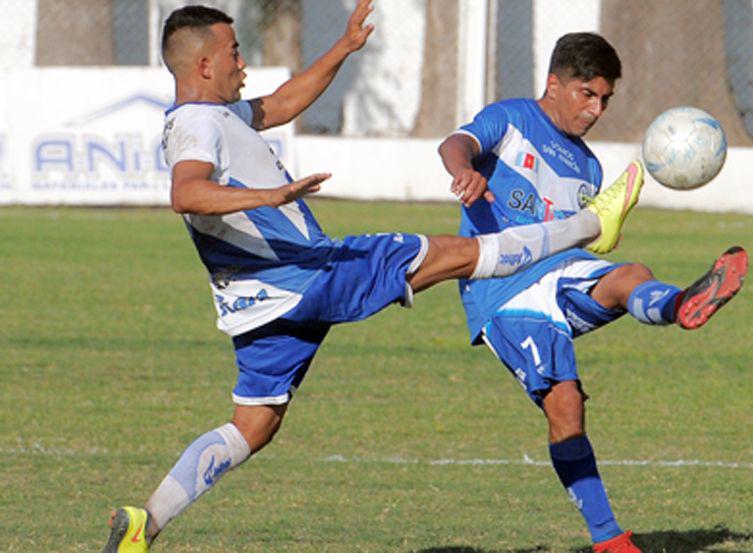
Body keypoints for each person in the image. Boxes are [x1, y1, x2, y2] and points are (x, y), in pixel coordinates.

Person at [101, 4, 644, 552]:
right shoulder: (196, 124)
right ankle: (591, 223)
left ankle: (145, 522)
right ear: (202, 64)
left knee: (254, 425)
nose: (243, 63)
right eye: (234, 52)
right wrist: (267, 195)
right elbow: (185, 193)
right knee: (451, 253)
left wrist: (342, 47)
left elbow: (282, 103)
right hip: (306, 274)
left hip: (256, 302)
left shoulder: (222, 114)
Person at [437, 32, 748, 553]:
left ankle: (679, 305)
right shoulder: (510, 119)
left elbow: (583, 236)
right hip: (502, 292)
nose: (596, 109)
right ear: (554, 84)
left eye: (605, 99)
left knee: (631, 273)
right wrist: (463, 170)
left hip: (561, 272)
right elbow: (456, 143)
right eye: (587, 94)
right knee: (565, 407)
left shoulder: (589, 168)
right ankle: (609, 539)